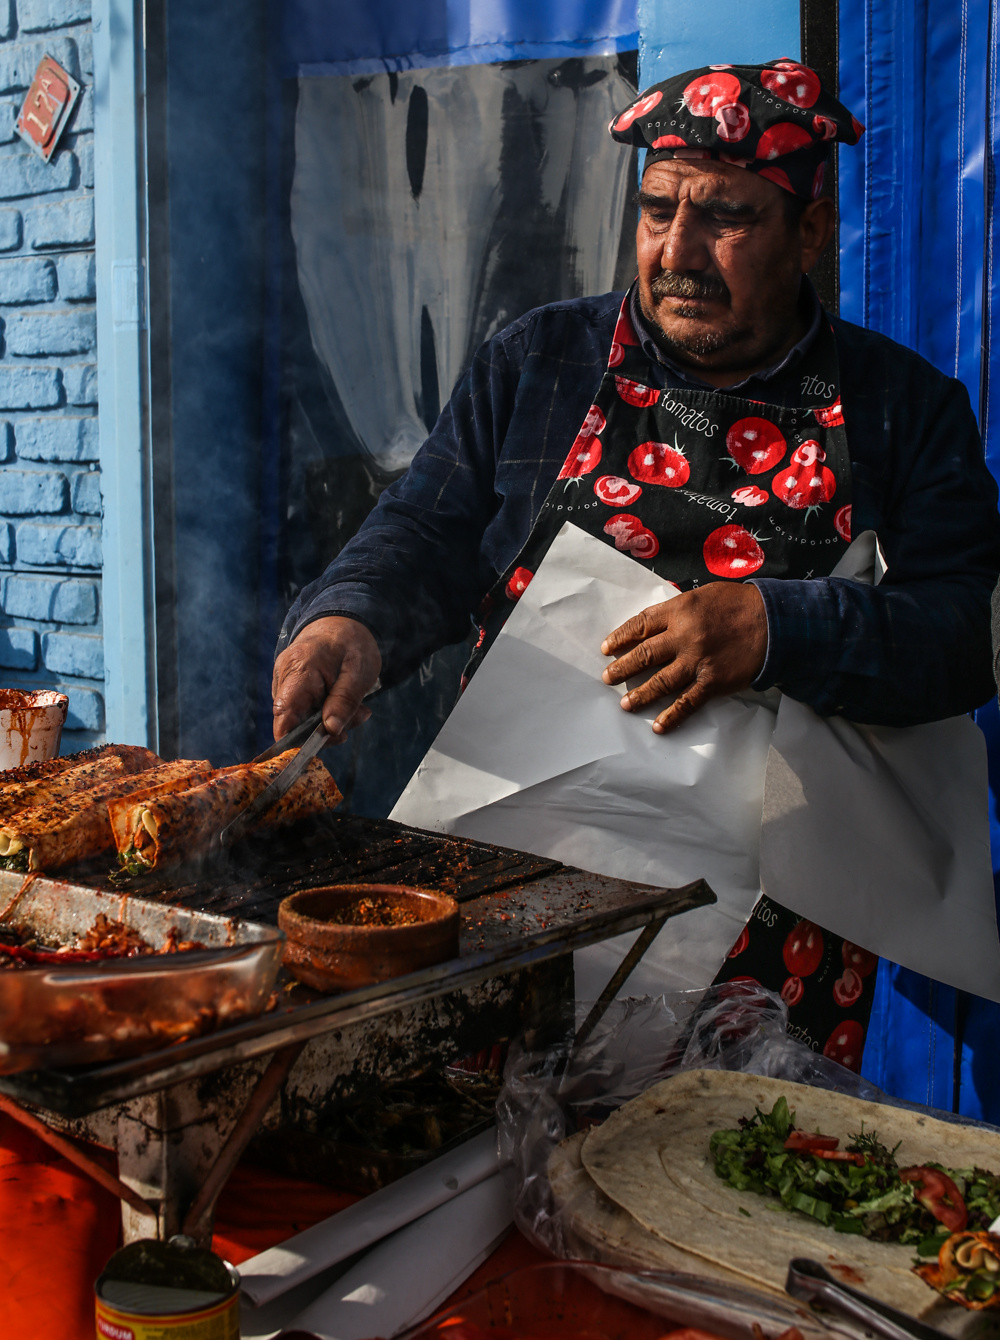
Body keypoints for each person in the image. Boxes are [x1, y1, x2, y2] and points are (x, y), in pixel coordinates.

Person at [273, 59, 1000, 1049]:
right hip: (529, 877)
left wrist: (774, 625)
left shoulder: (901, 410)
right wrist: (346, 616)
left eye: (728, 217)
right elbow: (426, 532)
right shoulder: (540, 360)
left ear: (811, 233)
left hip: (771, 932)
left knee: (724, 1184)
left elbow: (962, 637)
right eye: (658, 211)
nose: (678, 252)